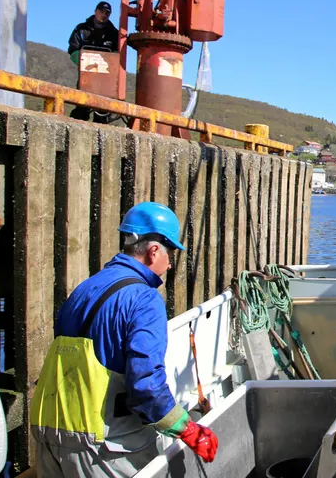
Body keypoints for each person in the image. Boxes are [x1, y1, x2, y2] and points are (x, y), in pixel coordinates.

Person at [30, 202, 218, 477]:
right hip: (101, 445)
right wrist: (187, 429)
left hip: (49, 433)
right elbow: (146, 385)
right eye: (171, 254)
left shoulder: (86, 287)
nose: (168, 265)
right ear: (154, 251)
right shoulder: (144, 298)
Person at [67, 1, 119, 124]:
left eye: (107, 13)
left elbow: (117, 54)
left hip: (105, 78)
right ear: (96, 11)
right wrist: (83, 62)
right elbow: (73, 48)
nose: (104, 15)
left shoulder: (114, 34)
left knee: (102, 111)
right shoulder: (81, 29)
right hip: (86, 75)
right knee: (81, 107)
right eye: (101, 11)